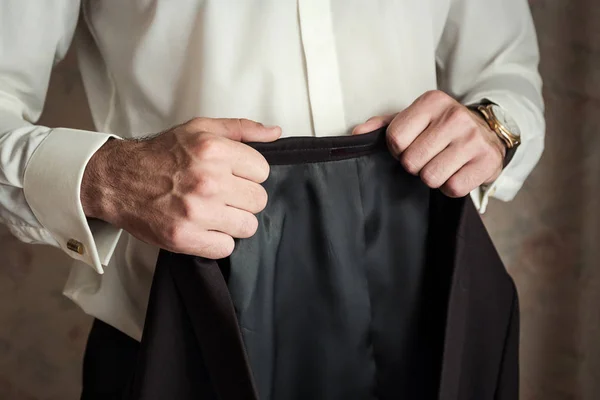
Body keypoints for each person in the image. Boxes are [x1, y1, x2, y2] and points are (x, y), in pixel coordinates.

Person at [0, 0, 544, 394]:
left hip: (428, 326)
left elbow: (506, 74)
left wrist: (495, 128)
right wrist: (108, 176)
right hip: (181, 338)